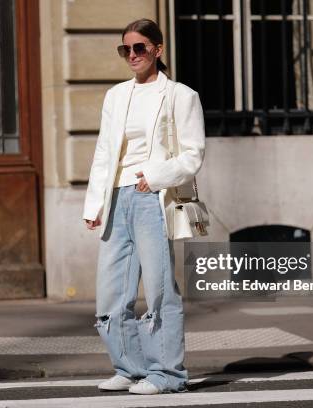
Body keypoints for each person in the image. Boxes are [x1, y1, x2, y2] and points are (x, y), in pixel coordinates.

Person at [82, 18, 206, 395]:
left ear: (157, 49)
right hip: (116, 198)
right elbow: (104, 151)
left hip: (152, 197)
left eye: (139, 48)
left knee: (158, 289)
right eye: (126, 49)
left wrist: (154, 176)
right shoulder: (116, 95)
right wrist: (94, 202)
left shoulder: (180, 96)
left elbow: (192, 155)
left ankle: (167, 374)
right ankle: (130, 367)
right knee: (111, 291)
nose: (132, 55)